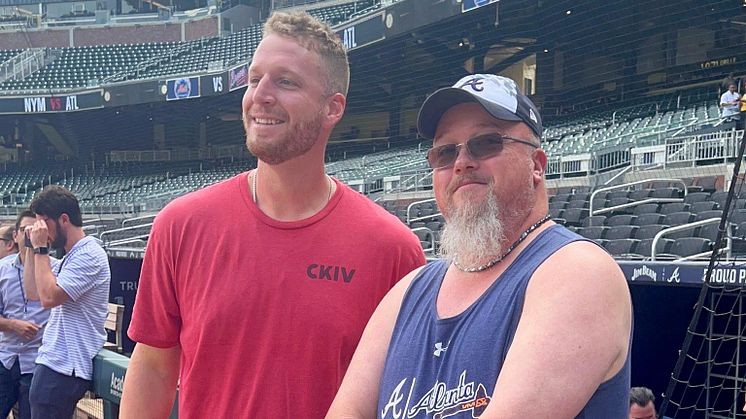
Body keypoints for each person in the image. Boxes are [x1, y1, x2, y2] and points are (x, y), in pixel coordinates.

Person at [120, 11, 425, 419]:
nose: (259, 95)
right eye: (253, 78)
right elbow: (155, 368)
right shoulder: (180, 225)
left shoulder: (392, 248)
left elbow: (403, 391)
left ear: (332, 109)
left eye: (285, 81)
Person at [326, 74, 632, 418]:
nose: (462, 162)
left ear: (537, 165)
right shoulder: (407, 292)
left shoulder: (577, 271)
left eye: (486, 143)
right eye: (445, 152)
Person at [25, 186, 111, 419]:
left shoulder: (89, 254)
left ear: (64, 219)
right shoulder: (71, 255)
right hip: (55, 363)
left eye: (44, 223)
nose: (42, 230)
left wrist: (41, 248)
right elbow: (33, 292)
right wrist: (31, 248)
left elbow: (49, 298)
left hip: (66, 368)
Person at [0, 211, 59, 419]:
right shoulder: (2, 269)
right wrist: (12, 325)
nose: (31, 235)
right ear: (15, 236)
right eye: (27, 230)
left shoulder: (57, 269)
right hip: (6, 358)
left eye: (37, 230)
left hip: (39, 362)